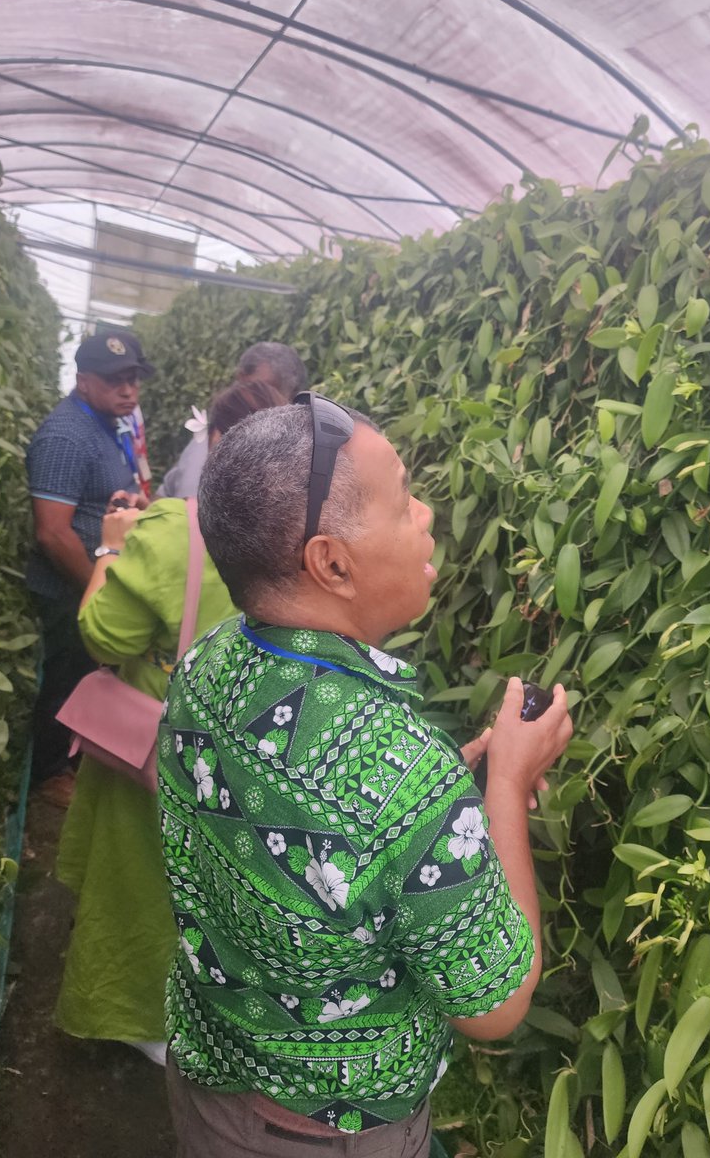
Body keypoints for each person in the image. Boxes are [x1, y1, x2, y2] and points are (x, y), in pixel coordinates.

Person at [159, 396, 573, 1156]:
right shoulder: (399, 781)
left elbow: (307, 830)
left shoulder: (209, 661)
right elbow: (497, 1005)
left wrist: (446, 804)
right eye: (403, 497)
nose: (427, 515)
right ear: (332, 562)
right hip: (327, 1137)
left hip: (209, 1088)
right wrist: (504, 790)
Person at [55, 380, 286, 1064]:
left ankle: (136, 1021)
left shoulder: (177, 531)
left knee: (142, 885)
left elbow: (104, 637)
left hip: (161, 755)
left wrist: (108, 548)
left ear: (214, 444)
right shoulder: (309, 536)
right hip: (258, 755)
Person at [25, 329, 154, 808]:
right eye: (115, 380)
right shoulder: (65, 437)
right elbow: (53, 533)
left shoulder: (105, 425)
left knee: (87, 671)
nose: (128, 390)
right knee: (65, 677)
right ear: (83, 381)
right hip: (68, 588)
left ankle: (74, 757)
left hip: (94, 580)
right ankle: (48, 772)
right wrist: (93, 591)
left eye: (134, 379)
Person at [156, 341, 306, 499]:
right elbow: (188, 514)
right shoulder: (208, 454)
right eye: (260, 390)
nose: (270, 406)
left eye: (280, 400)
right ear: (241, 379)